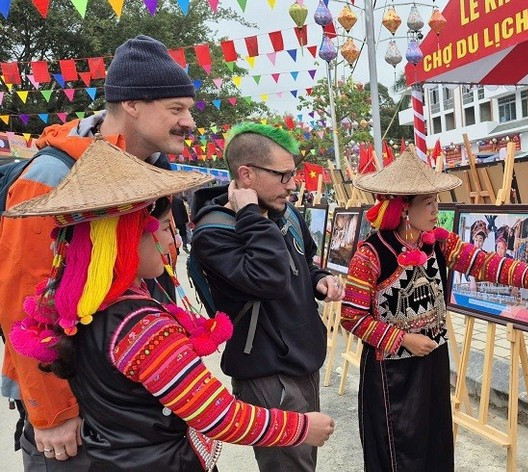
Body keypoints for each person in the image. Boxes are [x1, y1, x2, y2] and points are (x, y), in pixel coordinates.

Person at [5, 139, 335, 470]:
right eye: (164, 228)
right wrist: (302, 427)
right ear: (129, 237)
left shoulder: (82, 311)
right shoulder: (140, 326)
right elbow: (216, 413)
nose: (171, 241)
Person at [0, 34, 201, 469]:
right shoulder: (52, 174)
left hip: (128, 395)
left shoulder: (151, 170)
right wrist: (51, 412)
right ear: (131, 104)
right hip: (76, 408)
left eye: (189, 110)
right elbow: (24, 298)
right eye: (176, 109)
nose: (190, 123)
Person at [340, 150, 528, 471]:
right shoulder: (370, 255)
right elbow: (352, 316)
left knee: (435, 442)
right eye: (428, 203)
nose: (436, 209)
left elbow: (487, 263)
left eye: (436, 201)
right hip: (392, 373)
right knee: (400, 452)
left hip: (432, 360)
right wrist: (403, 339)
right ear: (404, 208)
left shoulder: (437, 242)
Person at [191, 122, 345, 471]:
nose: (292, 185)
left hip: (302, 360)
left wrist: (320, 279)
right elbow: (269, 278)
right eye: (283, 176)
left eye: (293, 174)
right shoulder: (214, 231)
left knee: (303, 463)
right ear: (246, 174)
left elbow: (304, 263)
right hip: (266, 372)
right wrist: (248, 215)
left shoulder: (284, 212)